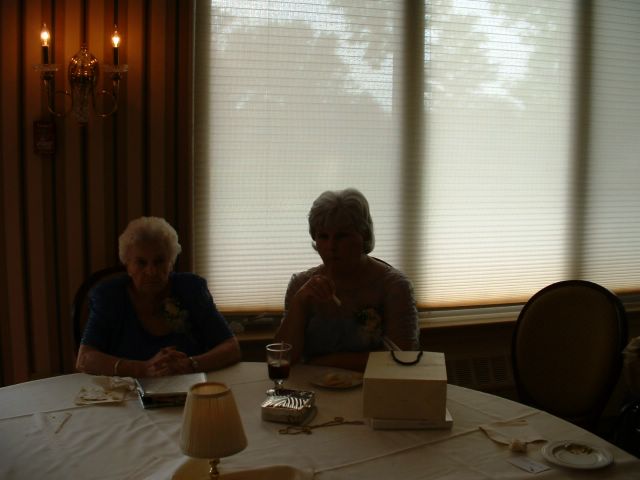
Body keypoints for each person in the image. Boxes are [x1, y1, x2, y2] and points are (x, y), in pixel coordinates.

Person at [76, 216, 241, 377]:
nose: (151, 271)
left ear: (171, 263)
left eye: (159, 261)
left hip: (189, 388)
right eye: (141, 262)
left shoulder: (192, 289)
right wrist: (143, 369)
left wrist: (190, 364)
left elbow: (231, 347)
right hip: (126, 391)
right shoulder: (109, 296)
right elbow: (84, 359)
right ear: (128, 265)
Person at [275, 188, 419, 372]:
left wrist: (326, 363)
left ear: (364, 235)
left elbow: (402, 358)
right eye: (323, 236)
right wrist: (300, 302)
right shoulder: (301, 285)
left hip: (374, 388)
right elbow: (282, 359)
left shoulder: (394, 287)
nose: (331, 246)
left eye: (341, 236)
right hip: (309, 388)